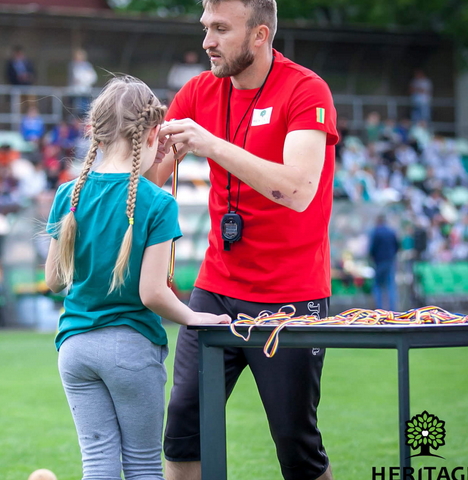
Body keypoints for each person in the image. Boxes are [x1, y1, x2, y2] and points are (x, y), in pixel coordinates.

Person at [149, 1, 338, 478]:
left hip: (290, 298)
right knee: (183, 428)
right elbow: (153, 179)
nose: (207, 41)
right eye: (205, 28)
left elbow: (296, 190)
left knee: (297, 449)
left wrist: (210, 144)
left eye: (220, 29)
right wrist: (109, 159)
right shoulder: (196, 92)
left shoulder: (306, 89)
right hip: (215, 288)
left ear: (259, 35)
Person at [45, 76, 230, 480]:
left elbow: (55, 280)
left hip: (74, 350)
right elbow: (152, 293)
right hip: (129, 350)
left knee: (98, 462)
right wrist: (195, 317)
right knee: (144, 465)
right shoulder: (157, 202)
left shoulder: (67, 194)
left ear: (94, 130)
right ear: (152, 134)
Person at [369, 215, 400, 311]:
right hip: (390, 261)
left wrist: (373, 258)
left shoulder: (376, 232)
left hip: (379, 262)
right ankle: (392, 309)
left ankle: (379, 308)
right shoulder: (391, 232)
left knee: (377, 285)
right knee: (390, 285)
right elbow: (398, 245)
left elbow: (372, 248)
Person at [68, 48, 98, 116]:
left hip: (85, 92)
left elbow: (93, 78)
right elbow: (77, 77)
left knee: (86, 111)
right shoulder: (73, 65)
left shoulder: (88, 65)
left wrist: (85, 79)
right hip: (76, 93)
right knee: (76, 112)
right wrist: (86, 78)